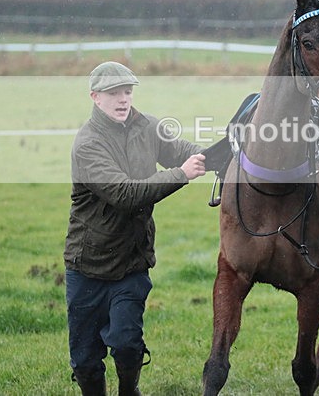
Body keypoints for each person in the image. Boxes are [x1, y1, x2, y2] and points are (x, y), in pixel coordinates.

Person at [64, 61, 206, 396]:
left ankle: (130, 391)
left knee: (127, 344)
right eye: (114, 92)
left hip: (132, 261)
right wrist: (181, 175)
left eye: (127, 91)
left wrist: (221, 154)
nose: (123, 99)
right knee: (85, 360)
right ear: (95, 97)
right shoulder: (87, 144)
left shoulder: (148, 126)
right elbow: (125, 194)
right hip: (87, 267)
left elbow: (183, 150)